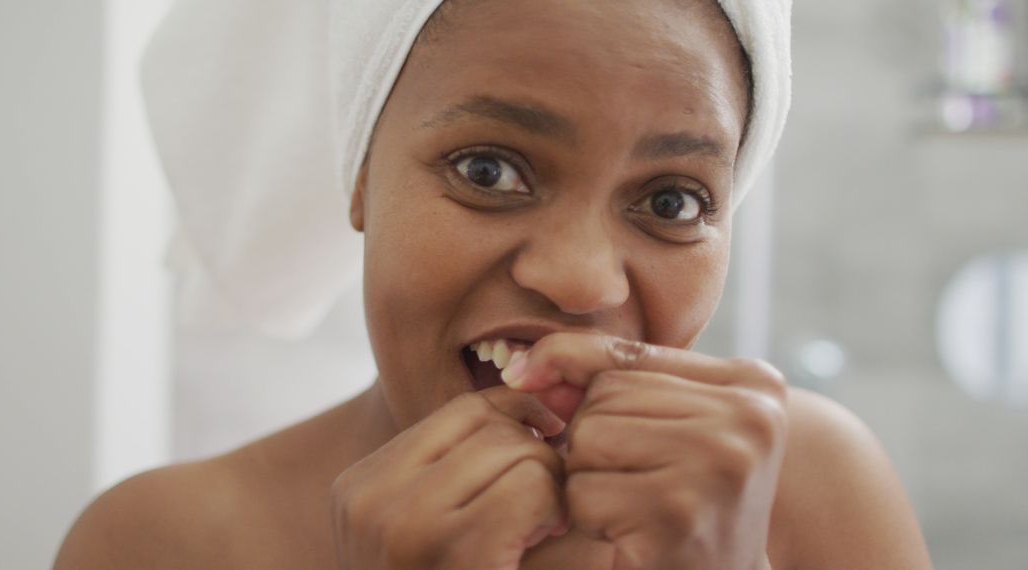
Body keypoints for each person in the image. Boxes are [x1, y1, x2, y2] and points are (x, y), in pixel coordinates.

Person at [54, 0, 934, 568]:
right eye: (487, 169)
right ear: (361, 176)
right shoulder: (165, 543)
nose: (582, 280)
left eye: (671, 199)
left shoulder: (806, 488)